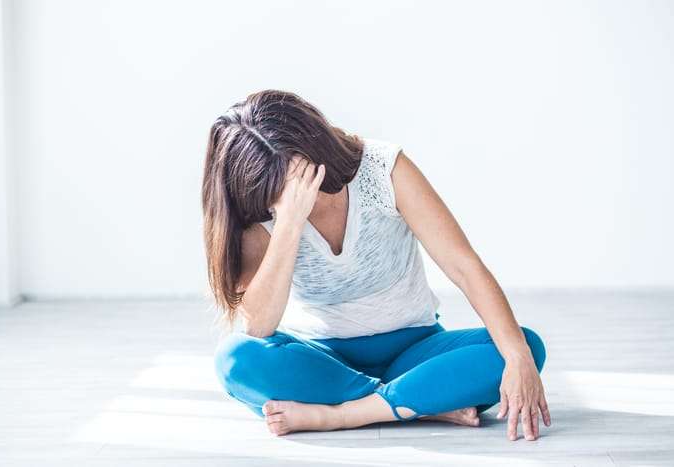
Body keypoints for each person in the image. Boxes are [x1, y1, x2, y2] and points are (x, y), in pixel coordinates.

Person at [201, 89, 550, 441]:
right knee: (234, 359)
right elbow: (259, 326)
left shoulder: (383, 169)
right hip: (323, 362)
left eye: (305, 176)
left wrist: (517, 355)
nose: (301, 190)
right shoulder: (259, 212)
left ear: (317, 146)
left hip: (414, 350)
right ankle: (417, 404)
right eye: (279, 189)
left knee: (525, 347)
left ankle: (342, 415)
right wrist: (289, 222)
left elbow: (463, 265)